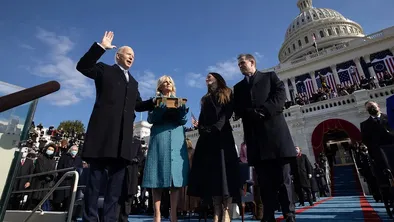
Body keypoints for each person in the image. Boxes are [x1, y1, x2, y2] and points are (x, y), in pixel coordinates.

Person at [76, 31, 155, 222]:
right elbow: (83, 66)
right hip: (103, 136)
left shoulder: (134, 82)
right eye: (129, 54)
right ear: (118, 55)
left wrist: (154, 101)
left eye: (134, 56)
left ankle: (110, 218)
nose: (132, 58)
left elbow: (137, 105)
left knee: (115, 187)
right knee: (95, 183)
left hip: (123, 141)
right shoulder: (104, 70)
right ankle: (91, 218)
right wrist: (101, 47)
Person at [233, 54, 296, 222]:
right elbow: (237, 108)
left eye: (242, 63)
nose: (240, 66)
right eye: (238, 64)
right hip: (255, 139)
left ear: (252, 62)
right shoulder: (238, 88)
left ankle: (289, 213)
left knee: (284, 179)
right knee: (264, 182)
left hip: (276, 136)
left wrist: (263, 111)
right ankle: (268, 215)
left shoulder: (270, 77)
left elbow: (280, 96)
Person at [188, 72, 241, 222]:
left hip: (223, 136)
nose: (207, 77)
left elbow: (227, 113)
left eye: (210, 76)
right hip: (208, 140)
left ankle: (226, 210)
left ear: (217, 78)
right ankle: (216, 209)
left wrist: (217, 127)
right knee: (213, 176)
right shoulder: (204, 98)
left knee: (225, 174)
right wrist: (203, 130)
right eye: (206, 76)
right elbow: (202, 117)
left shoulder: (227, 92)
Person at [142, 75, 189, 222]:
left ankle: (173, 214)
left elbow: (183, 121)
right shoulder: (154, 101)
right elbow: (151, 119)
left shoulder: (179, 100)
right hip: (159, 138)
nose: (167, 84)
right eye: (164, 82)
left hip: (176, 138)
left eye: (170, 82)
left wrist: (182, 112)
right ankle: (157, 214)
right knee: (156, 177)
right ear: (160, 87)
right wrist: (159, 111)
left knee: (175, 181)